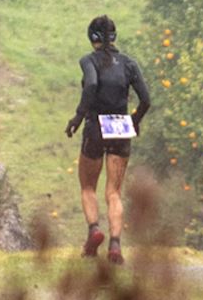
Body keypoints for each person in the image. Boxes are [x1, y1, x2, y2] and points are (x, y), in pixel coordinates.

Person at [64, 15, 151, 264]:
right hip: (121, 127)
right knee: (114, 192)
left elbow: (91, 85)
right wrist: (134, 121)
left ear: (92, 37)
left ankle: (94, 231)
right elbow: (146, 100)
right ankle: (115, 245)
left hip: (96, 127)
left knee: (88, 186)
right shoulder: (129, 64)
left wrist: (78, 117)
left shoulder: (89, 61)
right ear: (114, 37)